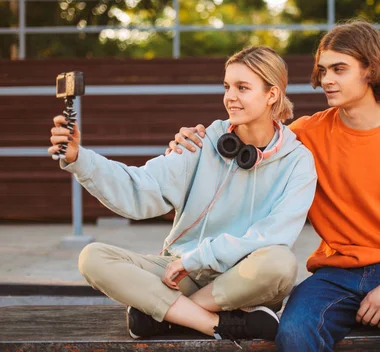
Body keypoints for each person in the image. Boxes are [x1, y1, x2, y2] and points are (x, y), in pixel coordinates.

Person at [167, 20, 380, 351]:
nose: (326, 80)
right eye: (323, 70)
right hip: (335, 273)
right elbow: (248, 140)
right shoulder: (304, 136)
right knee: (295, 334)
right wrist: (195, 141)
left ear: (370, 70)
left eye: (339, 69)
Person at [47, 46, 317, 343]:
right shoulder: (201, 142)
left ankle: (164, 316)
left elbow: (272, 235)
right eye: (227, 86)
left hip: (242, 280)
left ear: (272, 95)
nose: (230, 96)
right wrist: (78, 159)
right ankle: (215, 324)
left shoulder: (297, 161)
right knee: (93, 257)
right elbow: (139, 189)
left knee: (280, 262)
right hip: (180, 275)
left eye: (243, 88)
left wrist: (198, 259)